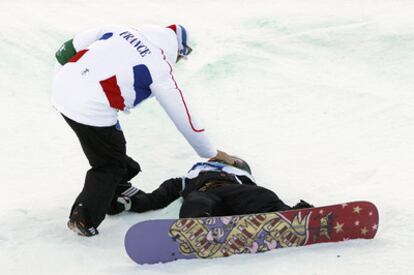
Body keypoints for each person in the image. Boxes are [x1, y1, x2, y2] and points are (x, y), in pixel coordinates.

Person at [51, 24, 234, 236]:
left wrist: (63, 79)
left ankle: (114, 194)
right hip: (91, 107)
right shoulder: (160, 67)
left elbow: (66, 49)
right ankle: (84, 217)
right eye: (183, 56)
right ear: (179, 49)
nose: (179, 62)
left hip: (62, 90)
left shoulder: (122, 29)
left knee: (113, 148)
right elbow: (184, 117)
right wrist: (211, 153)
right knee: (110, 165)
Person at [109, 156, 313, 218]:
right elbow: (156, 198)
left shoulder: (238, 177)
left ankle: (290, 217)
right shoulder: (183, 180)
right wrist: (128, 202)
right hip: (205, 196)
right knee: (198, 202)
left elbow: (255, 195)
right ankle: (196, 226)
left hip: (233, 193)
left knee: (262, 195)